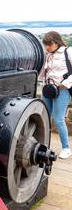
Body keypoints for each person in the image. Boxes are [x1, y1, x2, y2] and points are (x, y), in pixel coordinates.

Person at [40, 31, 72, 159]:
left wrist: (66, 83)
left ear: (57, 42)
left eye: (49, 44)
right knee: (44, 117)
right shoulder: (47, 54)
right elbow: (42, 73)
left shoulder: (68, 52)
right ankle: (44, 144)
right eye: (45, 45)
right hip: (47, 89)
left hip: (62, 90)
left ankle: (66, 148)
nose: (47, 47)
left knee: (58, 119)